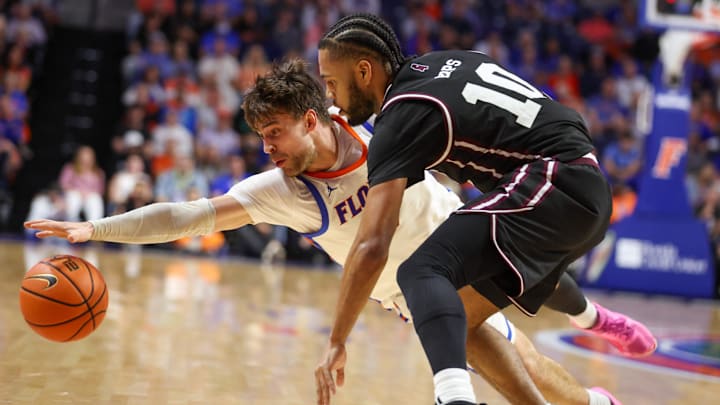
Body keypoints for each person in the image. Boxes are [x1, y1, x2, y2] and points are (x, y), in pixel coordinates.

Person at [28, 60, 622, 405]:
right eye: (259, 136)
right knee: (533, 377)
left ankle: (593, 325)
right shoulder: (279, 191)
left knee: (540, 339)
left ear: (313, 119)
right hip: (428, 295)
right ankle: (597, 400)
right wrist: (94, 227)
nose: (267, 147)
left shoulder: (375, 128)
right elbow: (186, 215)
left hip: (474, 241)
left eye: (276, 132)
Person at [314, 13, 656, 405]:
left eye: (331, 83)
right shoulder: (447, 60)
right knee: (458, 319)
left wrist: (338, 338)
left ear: (363, 71)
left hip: (554, 181)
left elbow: (374, 244)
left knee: (421, 272)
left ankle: (454, 398)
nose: (330, 96)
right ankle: (595, 337)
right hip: (575, 178)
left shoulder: (401, 115)